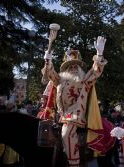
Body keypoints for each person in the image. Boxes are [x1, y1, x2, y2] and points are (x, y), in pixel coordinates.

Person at [41, 33, 107, 166]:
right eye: (70, 66)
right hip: (60, 116)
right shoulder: (58, 80)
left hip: (76, 116)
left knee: (66, 133)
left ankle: (74, 164)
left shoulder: (85, 81)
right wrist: (48, 59)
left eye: (75, 66)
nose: (73, 68)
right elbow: (49, 73)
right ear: (65, 69)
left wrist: (99, 55)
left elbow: (95, 72)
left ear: (80, 68)